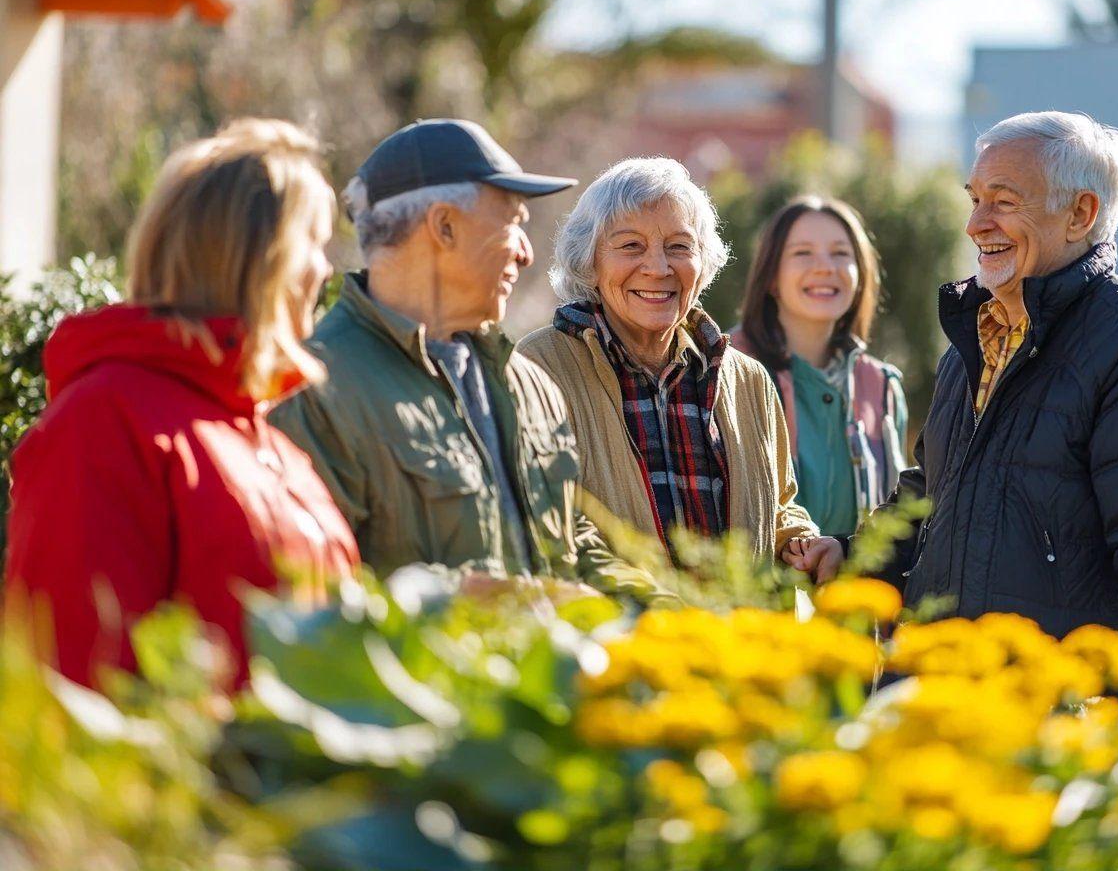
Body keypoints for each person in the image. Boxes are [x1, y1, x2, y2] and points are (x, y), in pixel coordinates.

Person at [828, 111, 1118, 640]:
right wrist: (847, 556)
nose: (975, 224)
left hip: (1055, 712)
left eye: (1002, 201)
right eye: (974, 198)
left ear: (1080, 214)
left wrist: (1110, 712)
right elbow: (930, 500)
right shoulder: (973, 340)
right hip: (939, 698)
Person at [4, 119, 359, 689]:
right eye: (314, 243)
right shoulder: (102, 423)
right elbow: (72, 681)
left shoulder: (262, 435)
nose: (326, 269)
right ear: (258, 258)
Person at [270, 120, 661, 598]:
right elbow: (318, 594)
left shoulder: (527, 384)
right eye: (514, 222)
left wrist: (661, 615)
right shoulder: (311, 386)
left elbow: (573, 543)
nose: (527, 253)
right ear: (444, 226)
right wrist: (497, 602)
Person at [517, 157, 825, 571]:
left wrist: (800, 544)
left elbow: (779, 507)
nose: (659, 268)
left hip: (730, 633)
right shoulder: (535, 370)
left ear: (703, 263)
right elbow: (539, 527)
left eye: (679, 246)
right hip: (611, 632)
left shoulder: (747, 379)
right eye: (631, 246)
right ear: (589, 261)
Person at [733, 195, 908, 538]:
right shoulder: (726, 372)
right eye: (802, 253)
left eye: (841, 253)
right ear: (771, 276)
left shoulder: (883, 389)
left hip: (854, 590)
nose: (826, 267)